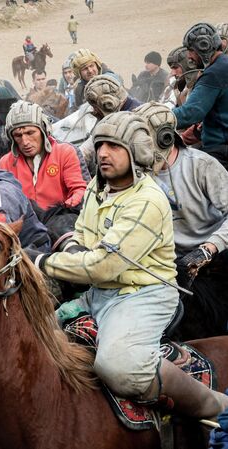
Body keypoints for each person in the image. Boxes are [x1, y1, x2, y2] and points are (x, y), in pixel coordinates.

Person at [31, 111, 228, 420]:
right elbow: (82, 230)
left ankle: (213, 405)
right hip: (99, 292)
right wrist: (75, 248)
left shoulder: (147, 199)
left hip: (142, 295)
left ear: (136, 151)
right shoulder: (99, 184)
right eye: (100, 145)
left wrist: (41, 261)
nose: (102, 153)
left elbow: (104, 266)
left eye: (114, 146)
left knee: (118, 367)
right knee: (33, 341)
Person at [136, 102, 228, 316]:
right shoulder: (139, 175)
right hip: (172, 263)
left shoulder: (202, 165)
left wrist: (208, 248)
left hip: (215, 256)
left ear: (164, 136)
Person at [0, 101, 87, 210]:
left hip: (62, 218)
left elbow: (81, 190)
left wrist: (62, 211)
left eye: (30, 133)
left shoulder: (65, 152)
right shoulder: (6, 163)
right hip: (24, 222)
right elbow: (2, 199)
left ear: (43, 130)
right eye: (18, 135)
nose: (25, 142)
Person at [173, 23, 228, 168]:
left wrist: (157, 116)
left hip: (220, 152)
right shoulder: (224, 66)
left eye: (191, 51)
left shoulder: (214, 73)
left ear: (204, 47)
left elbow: (191, 113)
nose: (189, 57)